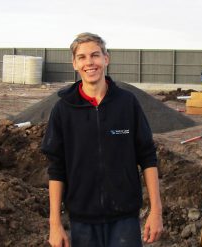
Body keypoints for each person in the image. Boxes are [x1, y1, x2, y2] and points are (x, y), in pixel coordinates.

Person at [41, 32, 163, 247]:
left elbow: (147, 156)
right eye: (82, 57)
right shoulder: (63, 110)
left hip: (125, 219)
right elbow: (56, 167)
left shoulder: (127, 103)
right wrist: (55, 224)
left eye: (95, 55)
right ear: (74, 64)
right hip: (82, 222)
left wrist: (156, 211)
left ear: (106, 59)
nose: (90, 62)